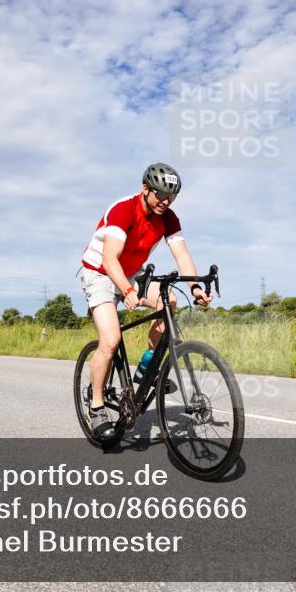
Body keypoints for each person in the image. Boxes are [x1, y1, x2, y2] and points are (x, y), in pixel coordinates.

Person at [79, 163, 212, 440]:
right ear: (145, 189)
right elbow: (109, 259)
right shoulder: (124, 209)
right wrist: (127, 290)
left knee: (170, 302)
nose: (166, 201)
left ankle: (146, 368)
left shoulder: (168, 217)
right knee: (111, 340)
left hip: (132, 272)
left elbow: (182, 255)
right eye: (161, 195)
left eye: (171, 197)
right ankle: (97, 405)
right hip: (100, 273)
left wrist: (196, 287)